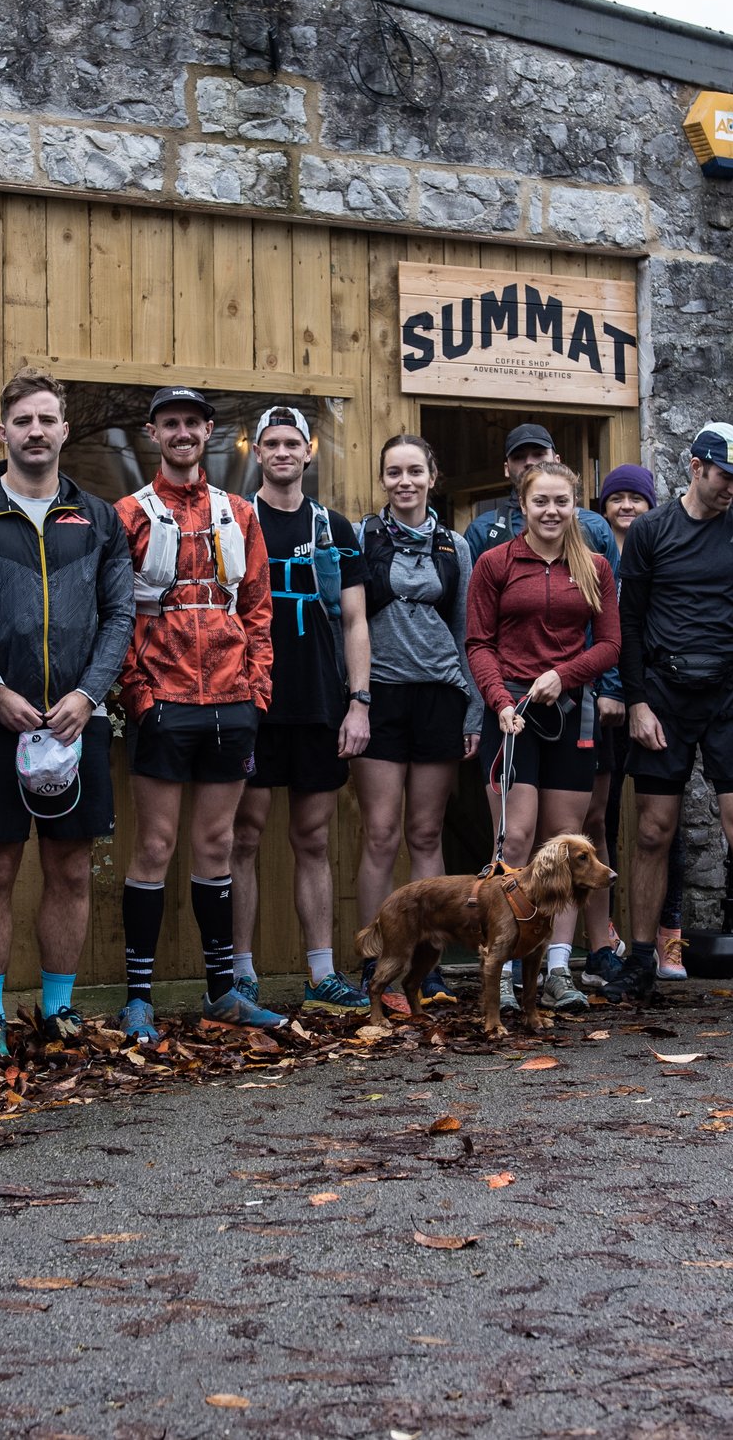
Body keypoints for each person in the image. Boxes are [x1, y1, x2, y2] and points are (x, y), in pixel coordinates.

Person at [0, 371, 135, 1050]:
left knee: (68, 867)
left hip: (75, 723)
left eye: (47, 419)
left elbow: (121, 614)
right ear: (2, 431)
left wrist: (89, 695)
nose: (35, 430)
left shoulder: (101, 518)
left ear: (64, 430)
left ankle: (59, 1007)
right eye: (22, 420)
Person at [113, 386, 284, 1040]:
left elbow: (258, 607)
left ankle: (221, 992)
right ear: (154, 432)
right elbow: (120, 611)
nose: (182, 432)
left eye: (192, 422)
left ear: (210, 431)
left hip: (232, 703)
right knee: (154, 845)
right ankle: (138, 1000)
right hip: (164, 700)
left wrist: (258, 689)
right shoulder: (131, 511)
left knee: (216, 845)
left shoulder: (238, 511)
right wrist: (138, 692)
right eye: (170, 423)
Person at [612, 422, 733, 1005]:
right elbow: (628, 623)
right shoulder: (651, 531)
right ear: (696, 466)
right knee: (651, 830)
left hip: (732, 693)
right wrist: (636, 699)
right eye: (725, 477)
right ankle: (641, 960)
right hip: (663, 692)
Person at [226, 405, 373, 1015]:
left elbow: (357, 622)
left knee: (313, 838)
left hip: (319, 705)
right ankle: (239, 974)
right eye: (272, 443)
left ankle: (320, 973)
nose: (283, 452)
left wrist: (359, 703)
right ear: (257, 453)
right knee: (244, 838)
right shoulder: (234, 522)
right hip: (253, 705)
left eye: (294, 443)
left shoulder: (333, 527)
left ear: (309, 452)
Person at [465, 459, 620, 1015]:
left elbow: (609, 646)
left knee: (569, 842)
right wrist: (501, 702)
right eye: (540, 502)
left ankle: (556, 970)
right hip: (512, 713)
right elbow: (478, 643)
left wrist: (566, 675)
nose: (551, 511)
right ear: (522, 505)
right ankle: (502, 967)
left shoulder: (595, 565)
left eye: (562, 502)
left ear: (574, 505)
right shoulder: (494, 562)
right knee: (514, 840)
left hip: (570, 712)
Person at [349, 436, 481, 1016]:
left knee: (426, 835)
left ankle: (427, 966)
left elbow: (466, 632)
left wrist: (473, 707)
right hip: (378, 697)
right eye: (393, 472)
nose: (405, 481)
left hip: (440, 697)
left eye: (415, 471)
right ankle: (377, 963)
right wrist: (350, 698)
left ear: (433, 476)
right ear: (383, 480)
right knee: (380, 833)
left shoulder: (456, 546)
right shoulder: (359, 537)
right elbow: (344, 621)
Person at [580, 463, 654, 987]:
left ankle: (606, 944)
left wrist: (620, 692)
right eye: (617, 497)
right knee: (567, 828)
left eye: (636, 497)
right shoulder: (588, 549)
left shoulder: (639, 555)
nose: (626, 506)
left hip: (628, 700)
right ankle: (553, 948)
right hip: (568, 698)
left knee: (612, 824)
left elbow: (621, 631)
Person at [461, 421, 620, 568]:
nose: (529, 462)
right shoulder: (483, 530)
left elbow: (610, 593)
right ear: (506, 469)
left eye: (538, 454)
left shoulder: (595, 527)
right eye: (518, 457)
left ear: (557, 460)